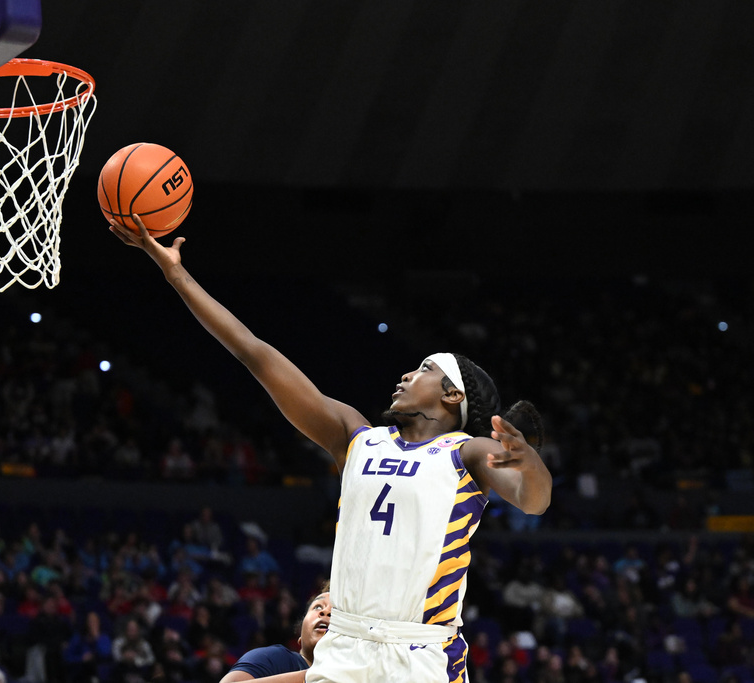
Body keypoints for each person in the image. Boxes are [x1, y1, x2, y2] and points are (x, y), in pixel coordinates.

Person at [111, 215, 552, 683]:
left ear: (453, 396)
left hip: (418, 654)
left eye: (423, 369)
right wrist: (176, 274)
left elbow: (533, 499)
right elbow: (253, 352)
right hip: (344, 650)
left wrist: (531, 463)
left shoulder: (466, 452)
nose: (405, 375)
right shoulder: (355, 436)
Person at [221, 588, 332, 683]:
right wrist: (313, 676)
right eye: (317, 607)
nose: (325, 611)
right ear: (300, 637)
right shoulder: (275, 657)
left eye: (335, 610)